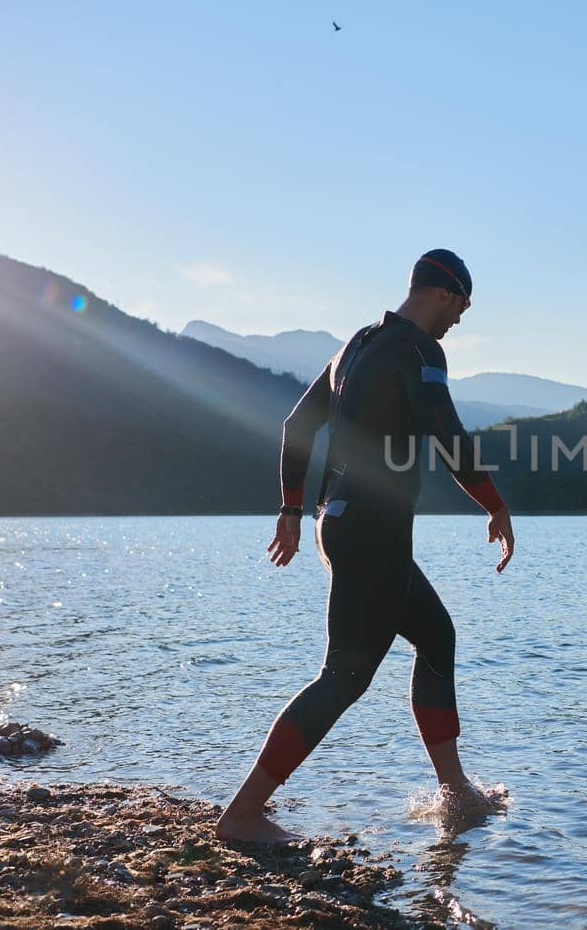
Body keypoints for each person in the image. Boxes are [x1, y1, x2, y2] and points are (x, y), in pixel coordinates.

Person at [215, 248, 515, 844]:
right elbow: (448, 433)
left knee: (436, 639)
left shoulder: (355, 346)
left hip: (343, 523)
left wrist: (292, 507)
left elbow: (297, 425)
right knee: (346, 675)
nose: (461, 321)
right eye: (463, 307)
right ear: (445, 293)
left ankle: (455, 794)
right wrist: (495, 503)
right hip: (372, 532)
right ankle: (242, 816)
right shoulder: (419, 350)